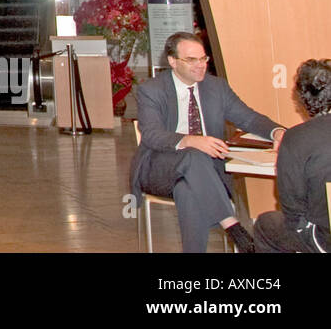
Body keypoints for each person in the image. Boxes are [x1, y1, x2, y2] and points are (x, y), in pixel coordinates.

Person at [130, 30, 285, 252]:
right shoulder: (152, 90)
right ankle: (233, 227)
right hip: (160, 168)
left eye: (203, 58)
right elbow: (152, 135)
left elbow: (248, 118)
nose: (200, 65)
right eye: (191, 60)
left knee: (187, 190)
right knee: (193, 154)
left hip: (206, 175)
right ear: (173, 61)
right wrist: (191, 140)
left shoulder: (217, 87)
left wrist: (276, 131)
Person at [254, 58, 331, 252]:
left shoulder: (296, 138)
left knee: (265, 224)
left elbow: (292, 209)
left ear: (303, 98)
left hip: (324, 239)